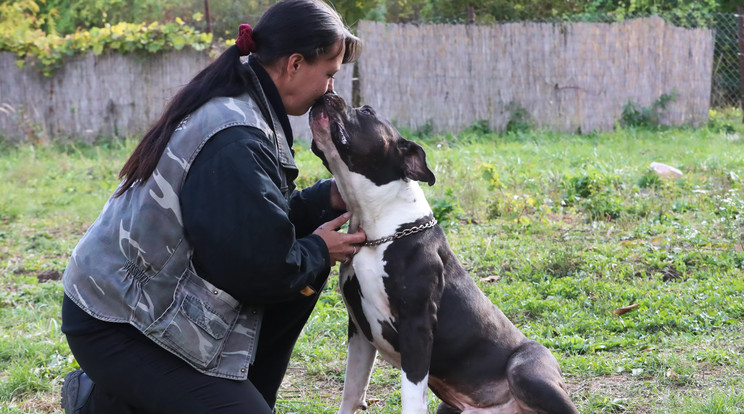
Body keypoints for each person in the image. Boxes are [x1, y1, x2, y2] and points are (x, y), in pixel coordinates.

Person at [59, 1, 365, 412]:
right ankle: (99, 400)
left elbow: (251, 223)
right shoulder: (236, 137)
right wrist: (319, 250)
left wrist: (323, 199)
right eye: (328, 74)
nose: (330, 88)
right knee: (302, 268)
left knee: (302, 278)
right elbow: (258, 268)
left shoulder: (245, 105)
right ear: (294, 64)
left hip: (148, 305)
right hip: (116, 320)